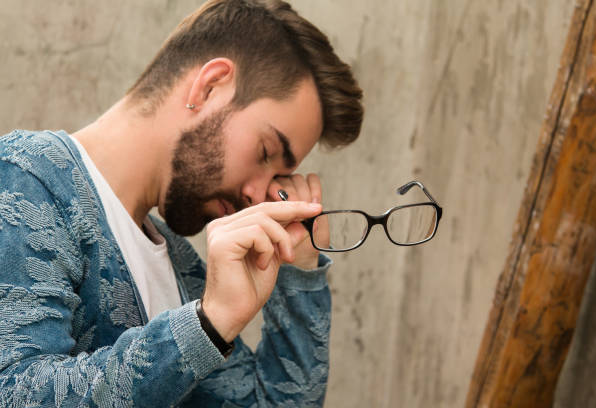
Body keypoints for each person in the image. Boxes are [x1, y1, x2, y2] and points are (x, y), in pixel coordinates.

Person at [0, 0, 363, 406]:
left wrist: (300, 271)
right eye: (265, 152)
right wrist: (207, 325)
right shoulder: (26, 178)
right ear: (209, 87)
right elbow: (15, 394)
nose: (259, 192)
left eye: (280, 174)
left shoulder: (181, 265)